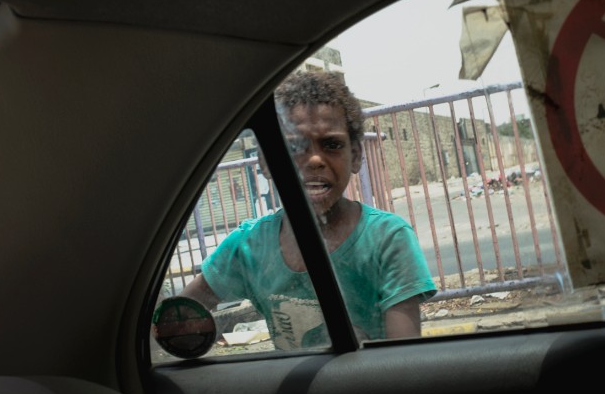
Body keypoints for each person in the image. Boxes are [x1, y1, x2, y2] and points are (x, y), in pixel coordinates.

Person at [180, 71, 436, 350]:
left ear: (355, 156)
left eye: (332, 145)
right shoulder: (247, 246)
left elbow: (404, 357)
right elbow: (179, 314)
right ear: (266, 162)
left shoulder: (387, 238)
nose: (314, 159)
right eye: (295, 146)